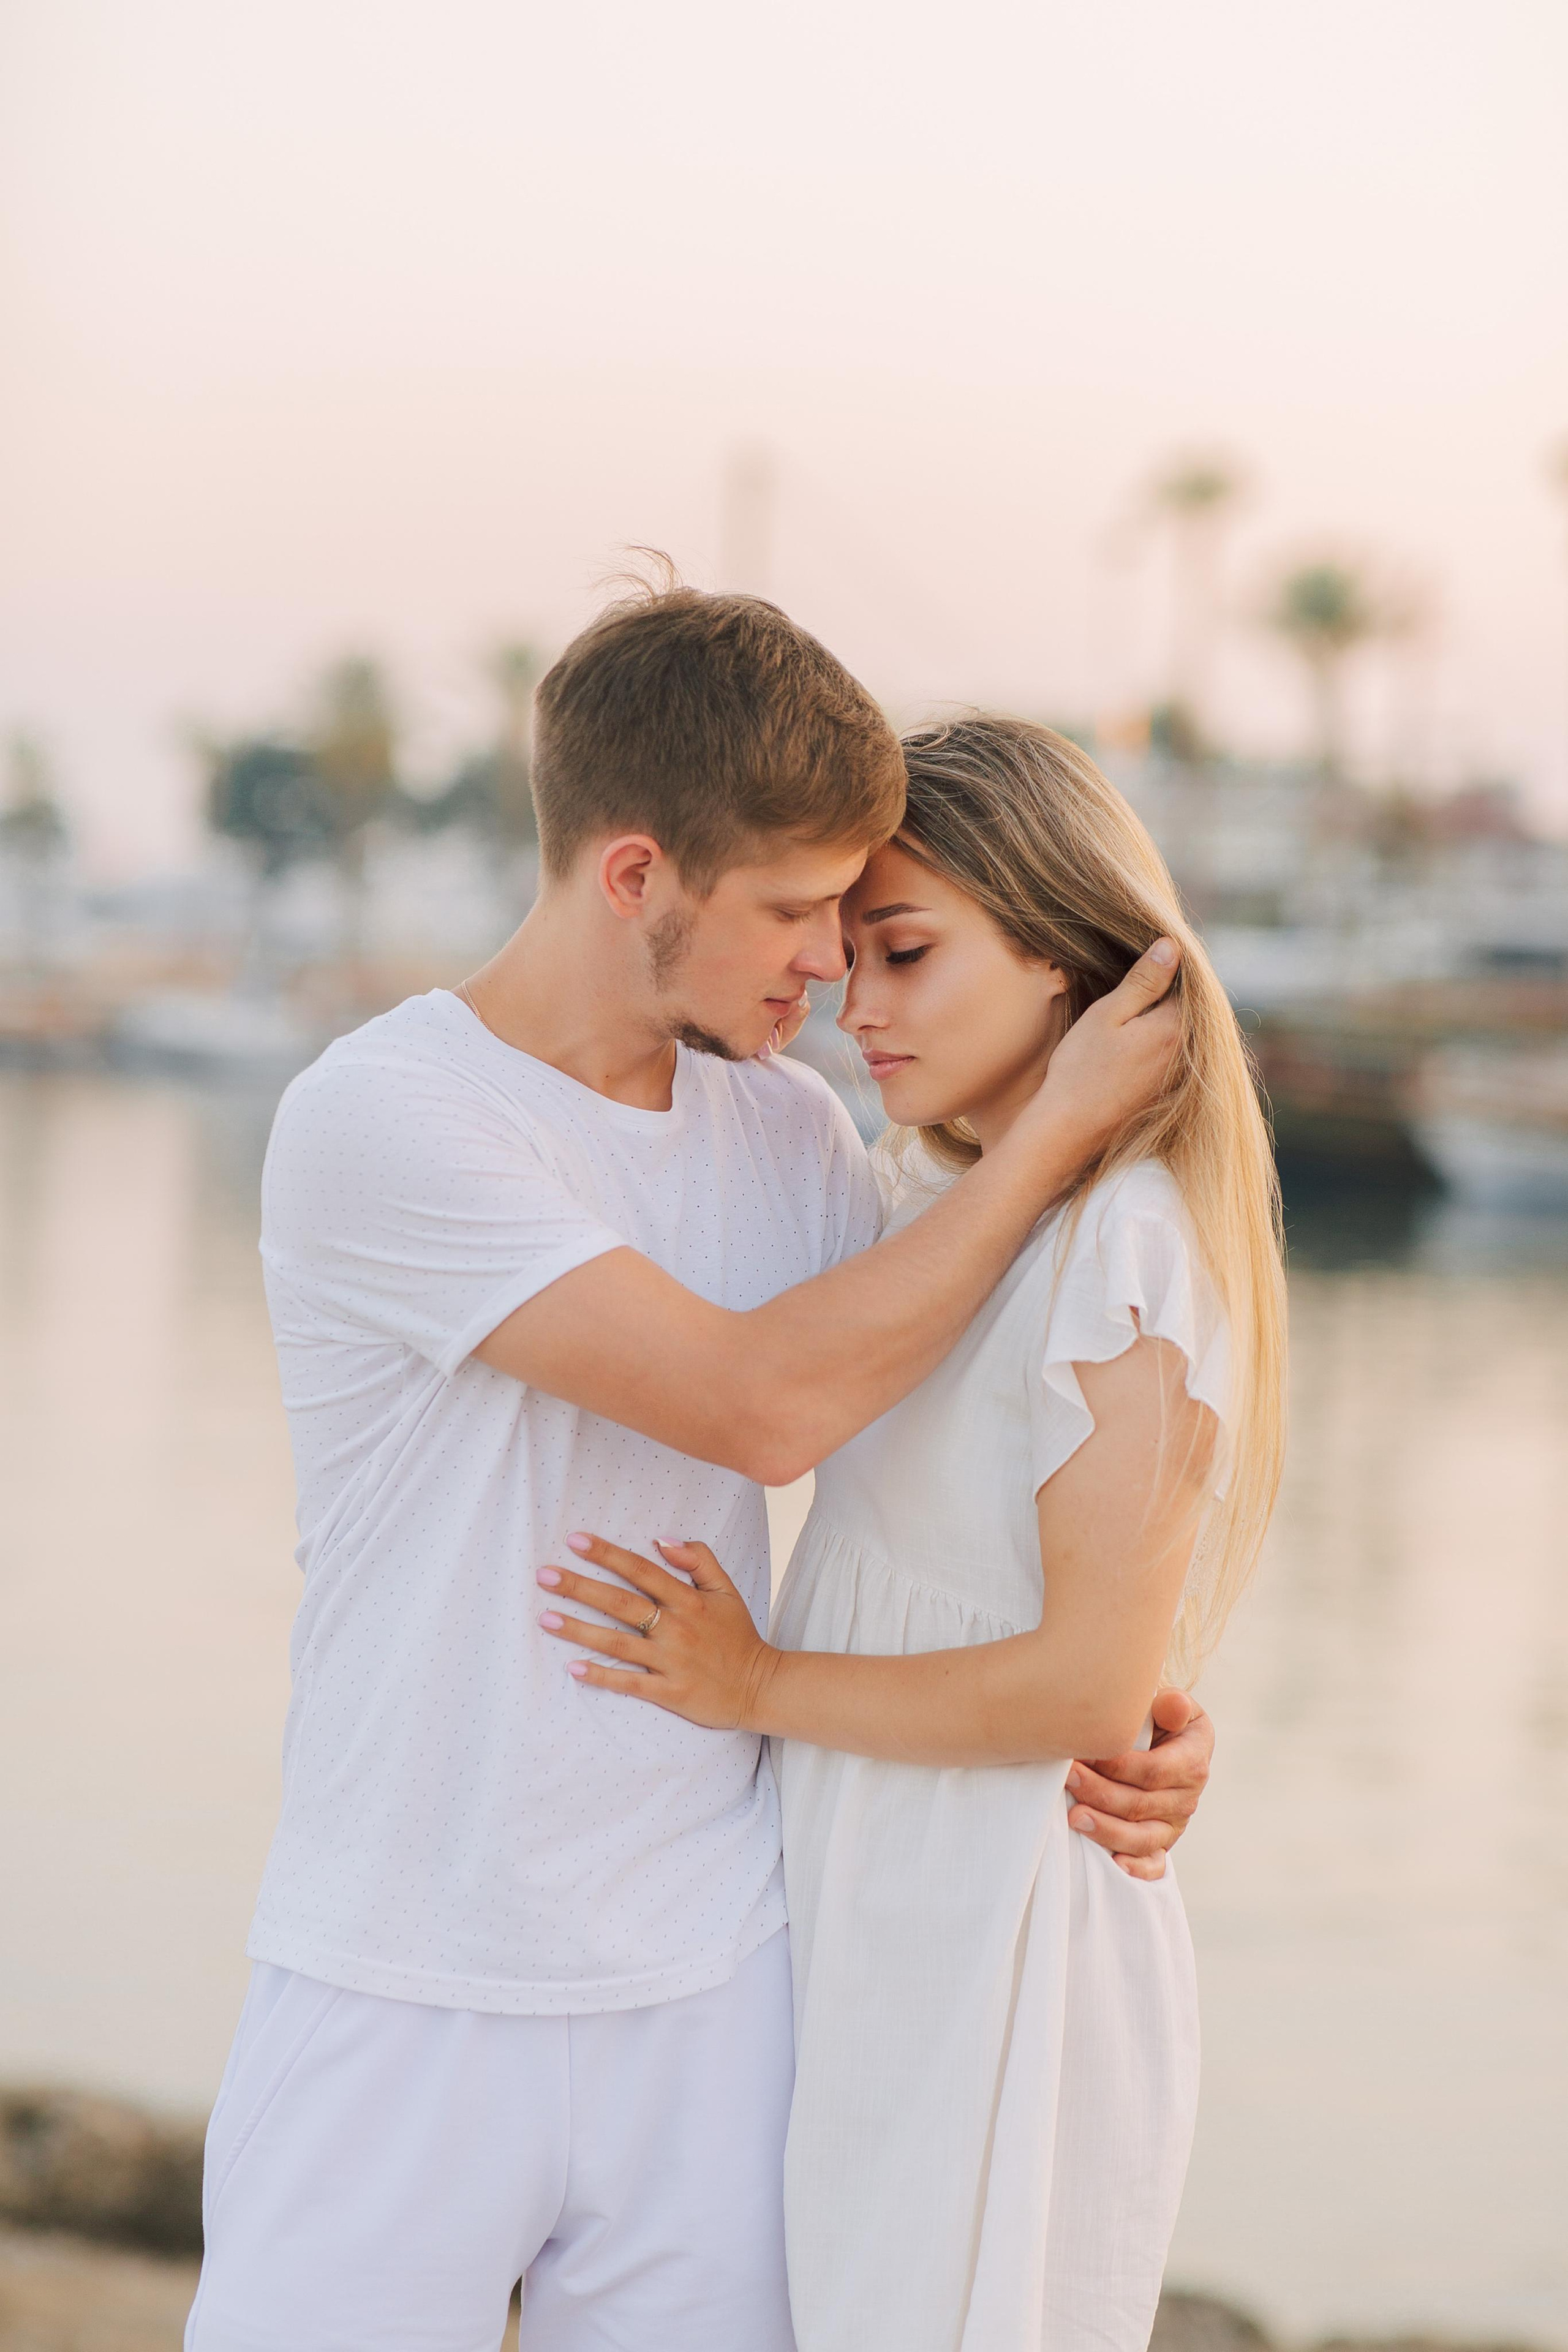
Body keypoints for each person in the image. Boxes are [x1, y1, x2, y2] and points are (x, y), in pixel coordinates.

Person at [185, 588, 1212, 2352]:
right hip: (408, 1971)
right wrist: (1053, 1134)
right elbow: (761, 1407)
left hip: (721, 1986)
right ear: (637, 873)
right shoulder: (390, 1120)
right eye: (799, 910)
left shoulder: (792, 1131)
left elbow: (978, 1424)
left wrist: (1134, 1700)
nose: (826, 965)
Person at [539, 714, 1287, 2351]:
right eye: (845, 955)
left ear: (1066, 957)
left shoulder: (1130, 1246)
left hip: (1000, 1919)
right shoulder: (919, 1199)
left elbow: (1091, 1690)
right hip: (866, 1879)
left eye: (906, 953)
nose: (857, 1007)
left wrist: (749, 1685)